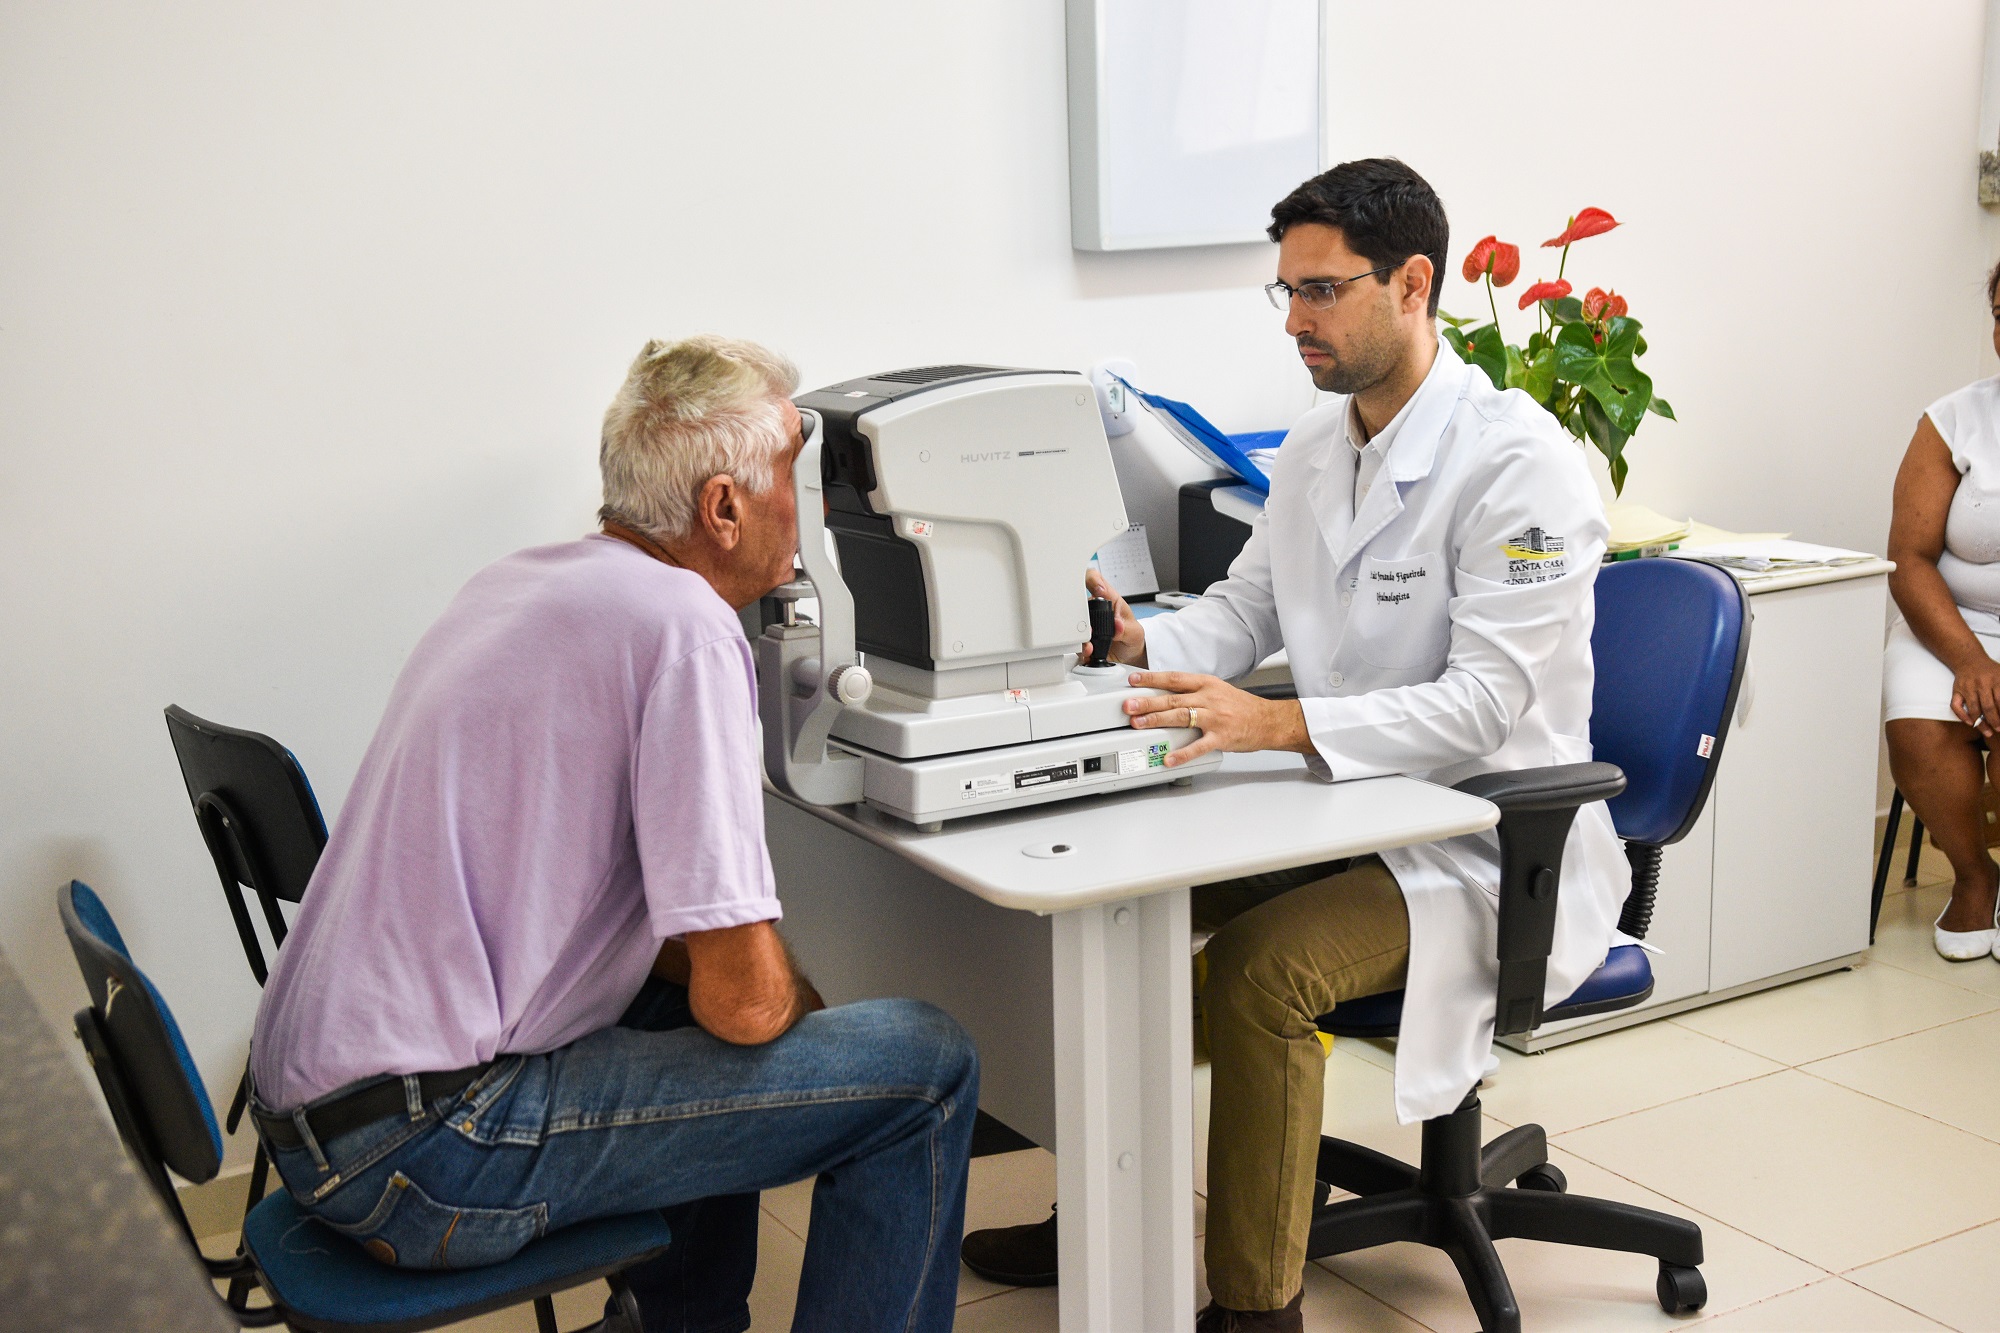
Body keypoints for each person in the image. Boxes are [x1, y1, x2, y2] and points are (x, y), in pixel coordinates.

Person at [960, 159, 1628, 1332]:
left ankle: (1253, 1311)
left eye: (1321, 291)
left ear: (1413, 284)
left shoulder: (1519, 466)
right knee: (1112, 917)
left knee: (1263, 972)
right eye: (1285, 292)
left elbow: (1481, 708)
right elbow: (1243, 610)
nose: (1295, 321)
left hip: (1479, 832)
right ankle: (1105, 1219)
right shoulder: (1321, 447)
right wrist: (1136, 640)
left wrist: (1274, 722)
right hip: (1344, 804)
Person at [247, 335, 979, 1333]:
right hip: (428, 1157)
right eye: (789, 470)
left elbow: (665, 951)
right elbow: (744, 1005)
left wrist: (759, 1008)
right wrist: (807, 1028)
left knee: (670, 1010)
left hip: (317, 1131)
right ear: (722, 507)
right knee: (925, 1064)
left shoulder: (519, 583)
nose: (795, 505)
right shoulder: (683, 627)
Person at [1885, 265, 2000, 961]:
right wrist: (1971, 660)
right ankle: (1974, 877)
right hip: (1948, 625)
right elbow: (1909, 556)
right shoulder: (1953, 419)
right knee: (1921, 732)